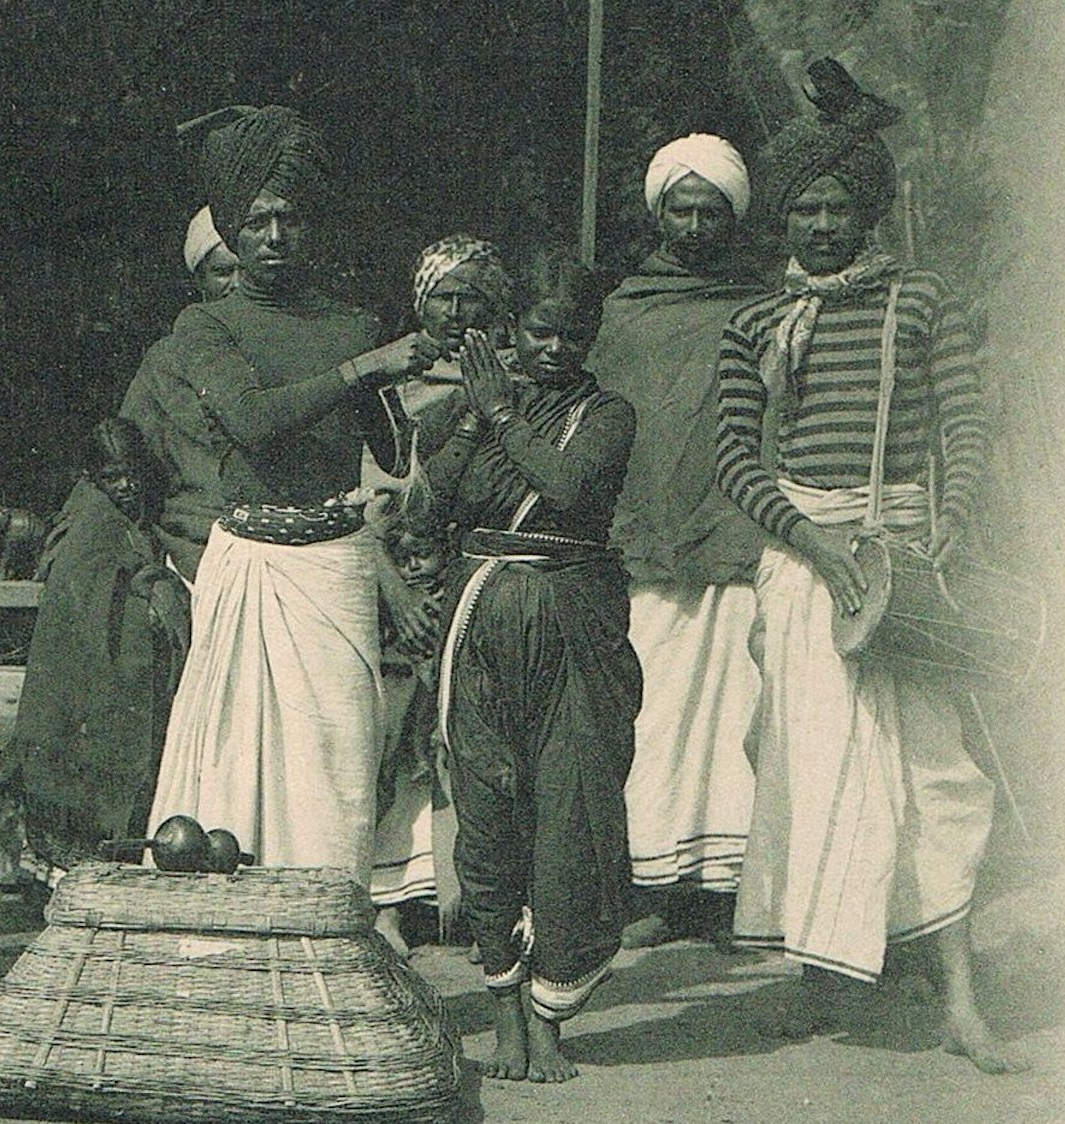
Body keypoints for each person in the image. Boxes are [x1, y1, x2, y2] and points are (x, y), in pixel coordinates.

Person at [714, 60, 1022, 1074]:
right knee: (807, 769)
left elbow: (963, 425)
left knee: (936, 774)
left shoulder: (919, 300)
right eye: (803, 208)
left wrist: (947, 524)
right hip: (805, 564)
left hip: (902, 556)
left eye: (836, 207)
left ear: (866, 210)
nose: (819, 225)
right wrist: (813, 547)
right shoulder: (756, 321)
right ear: (782, 217)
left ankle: (960, 1000)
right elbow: (734, 459)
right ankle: (817, 976)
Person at [143, 104, 442, 884]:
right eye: (256, 222)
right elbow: (252, 421)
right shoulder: (204, 326)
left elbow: (388, 452)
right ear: (231, 231)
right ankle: (228, 931)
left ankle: (330, 919)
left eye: (291, 219)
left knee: (336, 755)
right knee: (232, 758)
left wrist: (423, 386)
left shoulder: (351, 325)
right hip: (247, 563)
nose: (274, 237)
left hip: (334, 565)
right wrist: (366, 368)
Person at [414, 265, 638, 1082]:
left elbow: (567, 486)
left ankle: (550, 1018)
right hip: (479, 621)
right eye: (539, 330)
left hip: (573, 620)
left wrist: (502, 414)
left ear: (592, 338)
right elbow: (425, 511)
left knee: (569, 811)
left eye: (572, 334)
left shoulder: (605, 413)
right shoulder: (463, 408)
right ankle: (504, 1012)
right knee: (486, 817)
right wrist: (475, 419)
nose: (554, 347)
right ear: (510, 328)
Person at [589, 135, 766, 948]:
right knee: (654, 715)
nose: (693, 227)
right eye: (680, 211)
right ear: (657, 215)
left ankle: (731, 894)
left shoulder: (760, 305)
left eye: (709, 213)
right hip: (648, 540)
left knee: (736, 714)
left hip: (737, 533)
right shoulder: (622, 311)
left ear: (733, 219)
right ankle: (653, 889)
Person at [368, 235, 517, 952]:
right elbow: (367, 499)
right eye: (442, 297)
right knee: (397, 737)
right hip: (400, 582)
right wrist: (398, 594)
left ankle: (477, 903)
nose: (456, 312)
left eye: (473, 298)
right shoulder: (390, 384)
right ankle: (390, 902)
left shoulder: (517, 384)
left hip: (482, 575)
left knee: (479, 736)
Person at [8, 418, 186, 886]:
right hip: (90, 687)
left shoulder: (127, 517)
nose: (125, 486)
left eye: (131, 474)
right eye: (112, 477)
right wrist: (151, 588)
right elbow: (87, 613)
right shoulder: (93, 524)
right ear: (92, 478)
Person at [116, 206, 240, 579]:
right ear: (199, 280)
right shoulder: (167, 360)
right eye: (223, 272)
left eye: (246, 271)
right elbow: (129, 455)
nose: (237, 284)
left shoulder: (288, 347)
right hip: (195, 543)